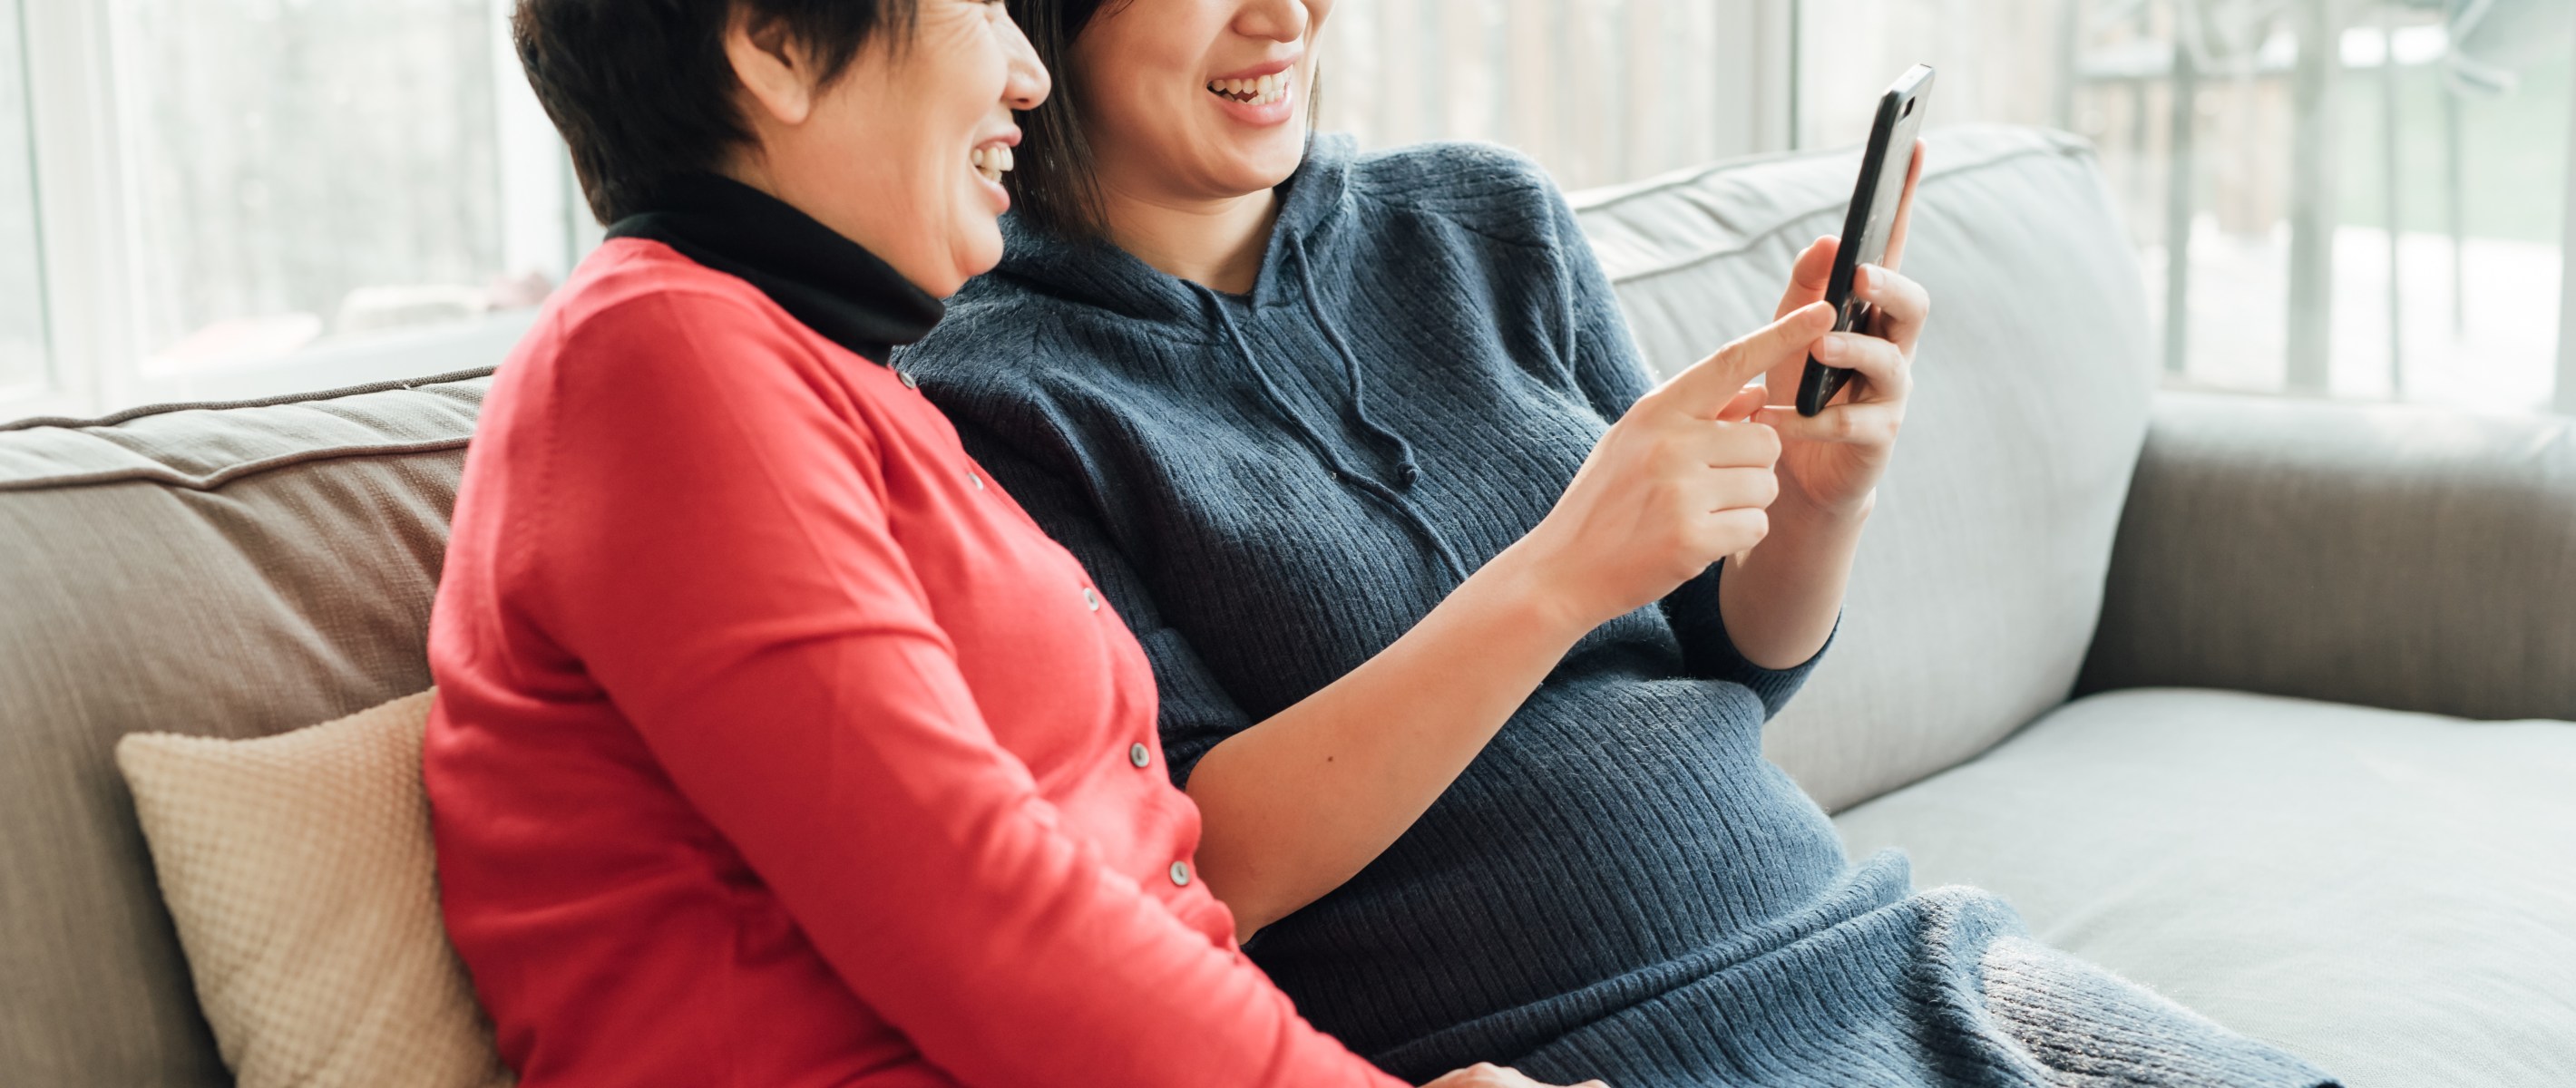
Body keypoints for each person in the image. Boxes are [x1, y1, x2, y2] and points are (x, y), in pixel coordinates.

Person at [895, 1, 2344, 1085]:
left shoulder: (1482, 222)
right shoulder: (993, 398)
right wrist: (1560, 570)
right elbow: (1194, 865)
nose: (1287, 16)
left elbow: (1728, 660)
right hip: (1570, 1049)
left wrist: (1819, 498)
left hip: (1891, 946)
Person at [422, 2, 1590, 1085]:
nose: (1030, 75)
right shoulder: (663, 358)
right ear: (774, 45)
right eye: (979, 3)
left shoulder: (834, 377)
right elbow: (971, 917)